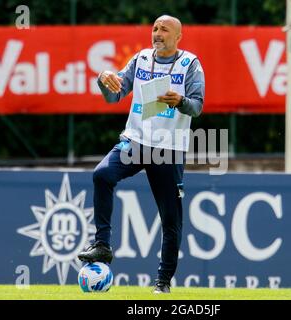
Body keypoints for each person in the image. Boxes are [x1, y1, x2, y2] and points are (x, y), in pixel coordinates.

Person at [77, 15, 205, 294]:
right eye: (155, 29)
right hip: (135, 142)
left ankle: (163, 282)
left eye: (164, 30)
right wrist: (104, 80)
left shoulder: (190, 64)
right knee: (102, 175)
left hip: (168, 149)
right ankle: (102, 245)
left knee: (171, 218)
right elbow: (115, 95)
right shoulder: (141, 59)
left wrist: (181, 101)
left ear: (178, 36)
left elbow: (197, 107)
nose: (157, 34)